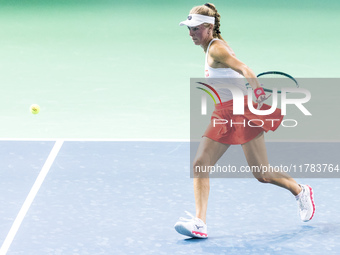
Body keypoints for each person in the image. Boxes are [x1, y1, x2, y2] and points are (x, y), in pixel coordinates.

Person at [174, 3, 315, 239]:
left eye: (195, 29)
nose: (191, 34)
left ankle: (301, 191)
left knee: (262, 174)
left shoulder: (217, 49)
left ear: (208, 28)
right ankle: (200, 223)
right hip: (223, 113)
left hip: (241, 111)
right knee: (200, 163)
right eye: (189, 29)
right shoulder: (210, 45)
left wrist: (257, 93)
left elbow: (245, 69)